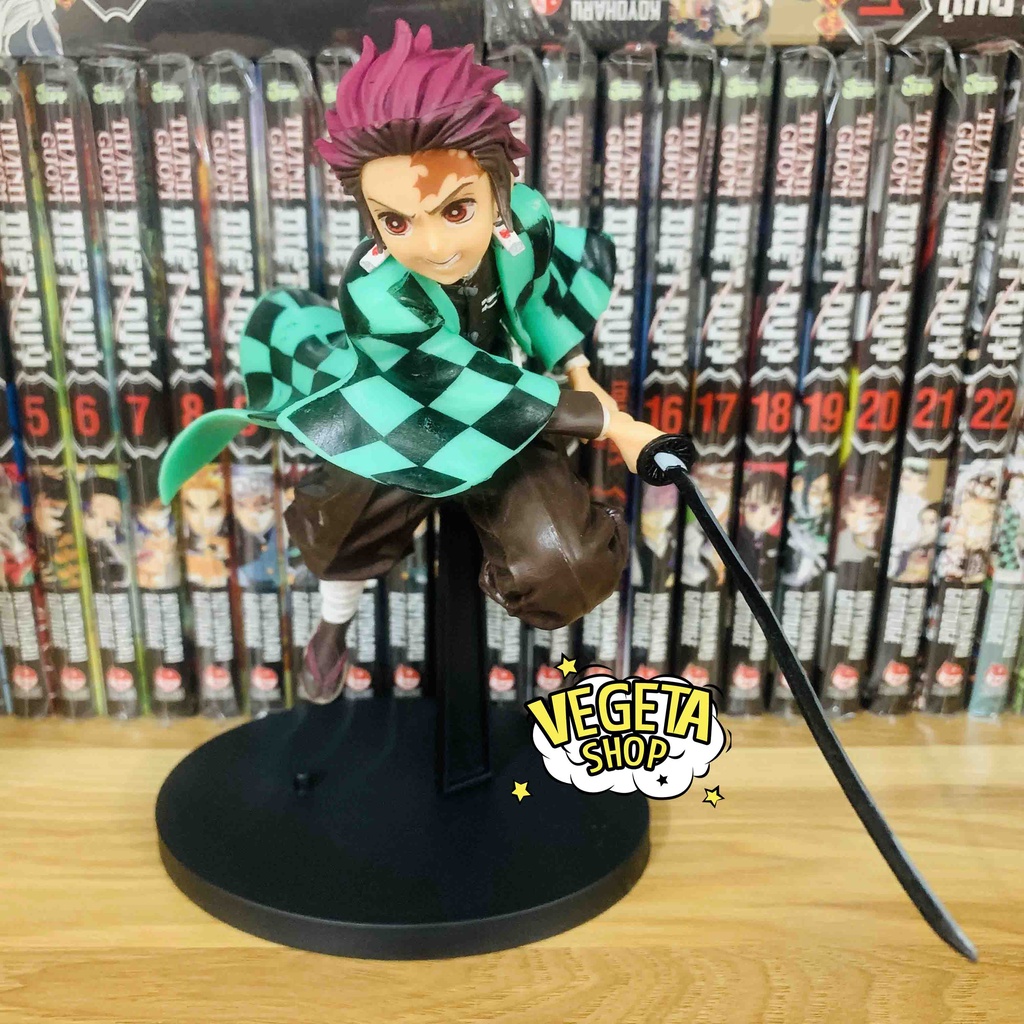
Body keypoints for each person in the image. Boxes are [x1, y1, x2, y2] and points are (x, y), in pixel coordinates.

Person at [159, 21, 662, 702]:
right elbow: (456, 386)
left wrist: (578, 372)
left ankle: (497, 615)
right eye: (396, 221)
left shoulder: (525, 223)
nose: (430, 244)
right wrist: (610, 423)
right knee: (340, 527)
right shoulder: (377, 292)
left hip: (514, 410)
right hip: (399, 418)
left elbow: (539, 301)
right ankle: (334, 625)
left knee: (564, 563)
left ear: (497, 188)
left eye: (456, 210)